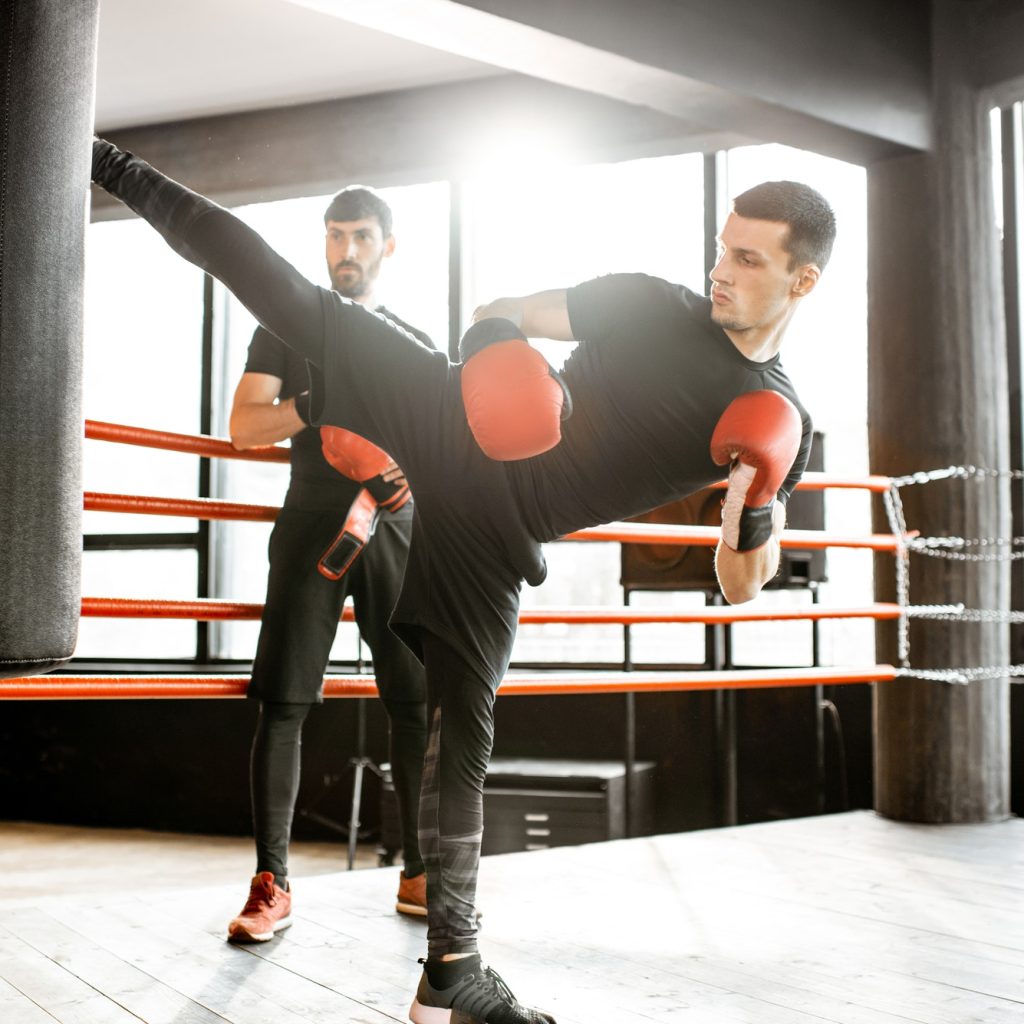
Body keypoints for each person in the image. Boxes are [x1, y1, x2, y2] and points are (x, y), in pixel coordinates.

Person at [91, 138, 832, 1024]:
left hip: (499, 533)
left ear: (802, 280)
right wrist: (494, 345)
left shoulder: (777, 417)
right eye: (720, 248)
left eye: (747, 260)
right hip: (448, 413)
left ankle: (450, 973)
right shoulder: (647, 301)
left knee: (462, 736)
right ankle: (108, 162)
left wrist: (753, 500)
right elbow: (500, 310)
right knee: (293, 300)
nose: (720, 272)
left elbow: (741, 584)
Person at [224, 187, 435, 942]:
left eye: (362, 236)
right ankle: (272, 882)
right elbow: (244, 424)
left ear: (388, 246)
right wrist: (317, 408)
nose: (346, 250)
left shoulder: (413, 342)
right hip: (313, 522)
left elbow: (443, 445)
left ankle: (420, 871)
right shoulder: (286, 327)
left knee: (414, 697)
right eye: (335, 235)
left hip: (397, 522)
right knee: (283, 699)